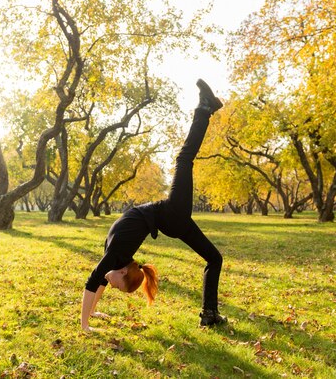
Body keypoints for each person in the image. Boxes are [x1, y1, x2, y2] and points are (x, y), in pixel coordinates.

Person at [80, 78, 227, 332]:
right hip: (171, 217)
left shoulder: (115, 257)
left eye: (115, 285)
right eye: (117, 286)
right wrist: (92, 314)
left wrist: (86, 321)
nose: (111, 285)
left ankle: (209, 314)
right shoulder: (117, 258)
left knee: (214, 257)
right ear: (124, 271)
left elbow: (94, 282)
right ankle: (205, 109)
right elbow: (100, 281)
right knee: (183, 159)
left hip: (172, 217)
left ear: (123, 273)